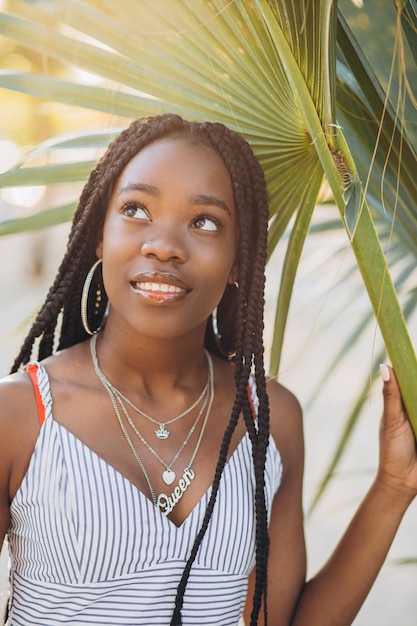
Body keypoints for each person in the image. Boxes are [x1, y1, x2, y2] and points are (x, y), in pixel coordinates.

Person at [0, 113, 416, 626]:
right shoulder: (19, 415)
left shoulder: (269, 417)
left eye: (204, 222)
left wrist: (395, 485)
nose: (165, 244)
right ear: (99, 236)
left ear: (239, 259)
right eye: (135, 209)